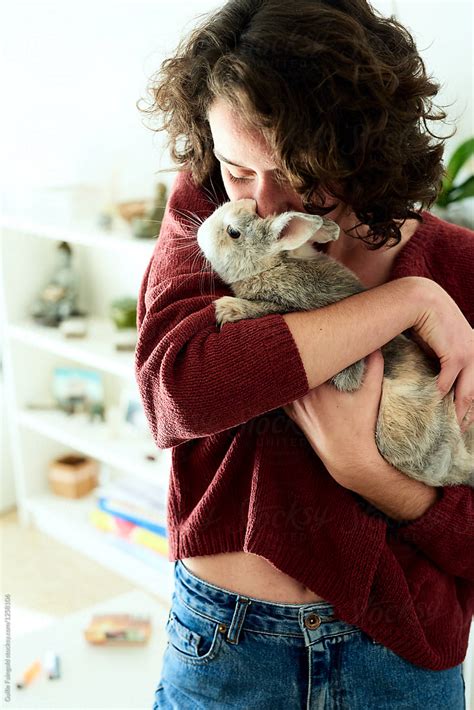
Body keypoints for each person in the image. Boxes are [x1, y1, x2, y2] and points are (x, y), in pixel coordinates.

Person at [135, 1, 474, 707]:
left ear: (364, 150)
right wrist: (408, 302)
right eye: (236, 169)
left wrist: (372, 475)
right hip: (225, 643)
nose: (262, 204)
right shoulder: (207, 223)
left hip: (399, 654)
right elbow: (182, 391)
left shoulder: (460, 264)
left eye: (298, 172)